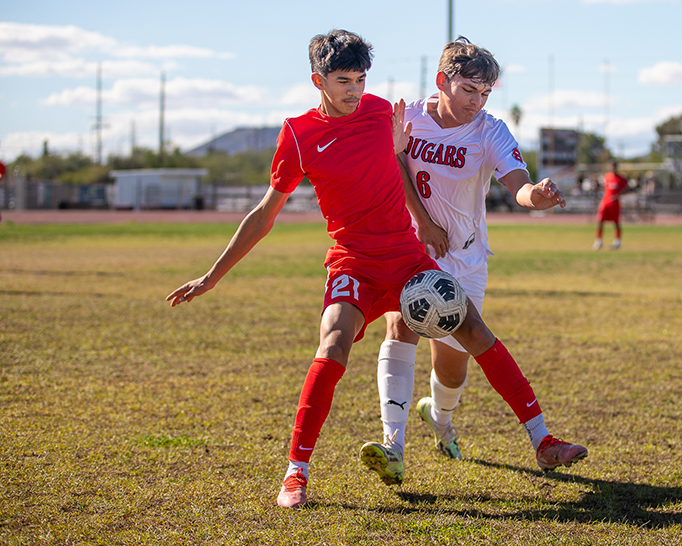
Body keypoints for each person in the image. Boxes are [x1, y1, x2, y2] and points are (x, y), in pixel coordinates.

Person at [166, 29, 578, 510]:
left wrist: (413, 177)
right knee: (333, 343)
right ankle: (297, 473)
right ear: (317, 80)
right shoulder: (298, 134)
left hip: (407, 258)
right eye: (343, 80)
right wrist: (212, 276)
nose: (354, 91)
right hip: (353, 261)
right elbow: (264, 214)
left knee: (473, 333)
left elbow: (404, 161)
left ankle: (542, 439)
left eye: (360, 79)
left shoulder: (385, 112)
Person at [360, 37, 587, 487]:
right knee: (398, 326)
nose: (476, 102)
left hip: (464, 258)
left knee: (452, 365)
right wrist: (422, 222)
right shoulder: (411, 117)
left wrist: (535, 197)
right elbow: (396, 163)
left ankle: (440, 418)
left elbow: (518, 185)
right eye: (468, 90)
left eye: (484, 93)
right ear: (443, 81)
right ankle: (393, 447)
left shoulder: (490, 130)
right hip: (410, 252)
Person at [593, 160, 629, 250]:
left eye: (614, 167)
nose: (613, 168)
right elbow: (603, 187)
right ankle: (599, 241)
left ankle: (617, 241)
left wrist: (618, 195)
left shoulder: (621, 178)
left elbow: (626, 189)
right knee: (600, 221)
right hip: (605, 202)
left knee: (616, 222)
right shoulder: (607, 177)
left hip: (615, 203)